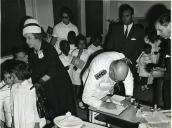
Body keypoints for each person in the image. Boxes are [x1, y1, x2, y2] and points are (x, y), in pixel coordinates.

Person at [22, 18, 76, 121]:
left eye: (29, 38)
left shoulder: (49, 49)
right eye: (25, 38)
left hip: (60, 84)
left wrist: (39, 82)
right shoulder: (32, 51)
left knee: (64, 113)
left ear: (37, 36)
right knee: (52, 111)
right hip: (47, 85)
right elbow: (33, 70)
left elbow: (52, 71)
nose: (26, 41)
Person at [105, 4, 145, 76]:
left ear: (132, 16)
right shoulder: (114, 28)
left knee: (128, 85)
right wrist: (113, 59)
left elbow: (140, 47)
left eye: (127, 16)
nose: (124, 18)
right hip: (114, 63)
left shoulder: (139, 31)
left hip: (130, 65)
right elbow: (109, 46)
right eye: (123, 16)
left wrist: (130, 60)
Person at [10, 60, 45, 128]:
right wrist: (13, 121)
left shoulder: (30, 88)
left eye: (13, 77)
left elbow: (35, 107)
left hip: (29, 120)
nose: (11, 79)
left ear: (20, 75)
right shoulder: (13, 87)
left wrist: (37, 123)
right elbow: (12, 106)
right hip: (18, 119)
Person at [155, 11, 171, 109]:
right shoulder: (169, 42)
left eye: (160, 30)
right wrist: (164, 69)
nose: (157, 33)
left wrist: (163, 74)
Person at [0, 60, 15, 128]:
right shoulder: (2, 90)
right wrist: (1, 121)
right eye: (5, 78)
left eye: (9, 77)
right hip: (9, 119)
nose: (7, 80)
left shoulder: (20, 86)